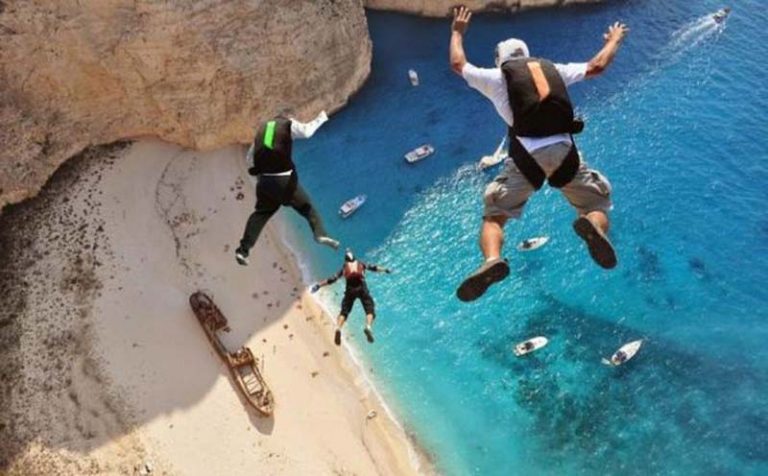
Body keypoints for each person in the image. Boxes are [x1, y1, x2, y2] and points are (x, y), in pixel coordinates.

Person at [449, 6, 629, 301]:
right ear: (527, 55)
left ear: (500, 60)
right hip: (564, 152)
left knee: (495, 216)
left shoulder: (496, 77)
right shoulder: (554, 69)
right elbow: (597, 67)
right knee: (595, 202)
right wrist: (614, 40)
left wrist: (457, 32)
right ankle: (594, 227)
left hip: (525, 159)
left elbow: (458, 64)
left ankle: (492, 260)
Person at [235, 111, 340, 265]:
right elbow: (307, 132)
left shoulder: (262, 130)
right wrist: (321, 118)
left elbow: (250, 160)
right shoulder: (287, 124)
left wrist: (260, 176)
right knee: (308, 208)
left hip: (264, 182)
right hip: (284, 180)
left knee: (261, 214)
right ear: (287, 116)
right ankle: (319, 234)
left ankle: (243, 250)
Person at [311, 249, 392, 346]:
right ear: (354, 258)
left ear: (346, 260)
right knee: (370, 310)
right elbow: (373, 268)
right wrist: (385, 269)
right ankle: (368, 326)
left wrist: (319, 285)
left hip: (350, 290)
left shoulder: (344, 268)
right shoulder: (361, 264)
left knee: (344, 312)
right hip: (362, 288)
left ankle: (338, 328)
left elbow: (332, 279)